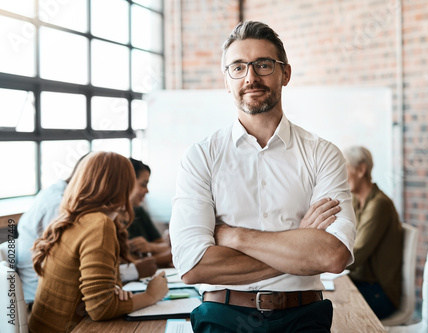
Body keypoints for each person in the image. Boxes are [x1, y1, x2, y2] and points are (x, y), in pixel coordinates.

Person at [169, 21, 356, 332]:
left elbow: (333, 255)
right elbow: (192, 267)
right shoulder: (200, 157)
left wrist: (233, 235)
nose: (251, 77)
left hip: (304, 317)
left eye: (263, 65)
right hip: (223, 315)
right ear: (226, 80)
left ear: (286, 73)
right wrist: (298, 242)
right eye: (238, 67)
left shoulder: (323, 154)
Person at [29, 152, 169, 333]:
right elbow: (100, 309)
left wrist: (113, 290)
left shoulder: (76, 217)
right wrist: (151, 295)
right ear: (122, 186)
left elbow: (99, 298)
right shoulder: (99, 224)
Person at [343, 146, 403, 320]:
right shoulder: (354, 200)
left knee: (330, 310)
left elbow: (356, 254)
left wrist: (319, 264)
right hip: (361, 283)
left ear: (361, 170)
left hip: (380, 292)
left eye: (344, 168)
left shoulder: (379, 204)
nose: (340, 175)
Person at [126, 158, 173, 267]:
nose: (147, 191)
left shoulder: (139, 212)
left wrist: (149, 247)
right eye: (143, 185)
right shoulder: (109, 219)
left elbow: (165, 246)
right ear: (129, 182)